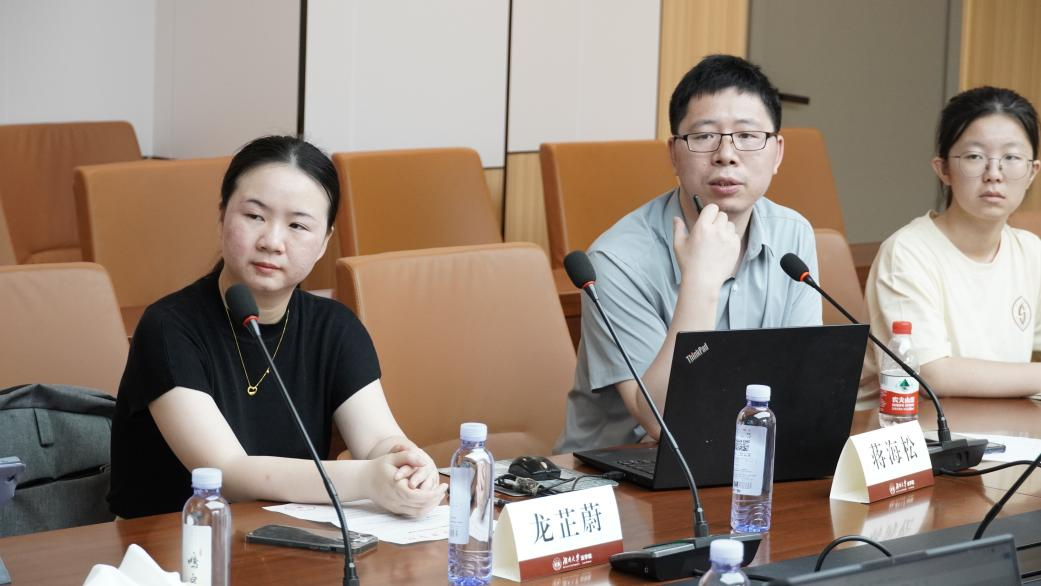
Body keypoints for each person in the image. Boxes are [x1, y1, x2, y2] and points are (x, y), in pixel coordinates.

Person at [108, 136, 447, 518]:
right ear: (222, 216)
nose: (272, 241)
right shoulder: (169, 328)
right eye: (255, 216)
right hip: (171, 541)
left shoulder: (335, 328)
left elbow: (377, 441)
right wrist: (367, 478)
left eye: (298, 225)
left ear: (324, 242)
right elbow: (227, 473)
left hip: (285, 538)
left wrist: (404, 463)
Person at [555, 55, 821, 454]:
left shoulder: (792, 235)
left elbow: (803, 385)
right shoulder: (615, 262)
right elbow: (663, 420)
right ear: (674, 154)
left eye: (748, 135)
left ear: (777, 152)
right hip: (623, 470)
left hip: (743, 454)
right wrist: (700, 283)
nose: (726, 154)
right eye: (704, 136)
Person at [863, 86, 1041, 403]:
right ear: (943, 169)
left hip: (1004, 424)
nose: (994, 174)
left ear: (1032, 172)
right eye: (974, 157)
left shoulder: (1030, 252)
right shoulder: (907, 252)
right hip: (909, 425)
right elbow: (931, 374)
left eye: (1011, 158)